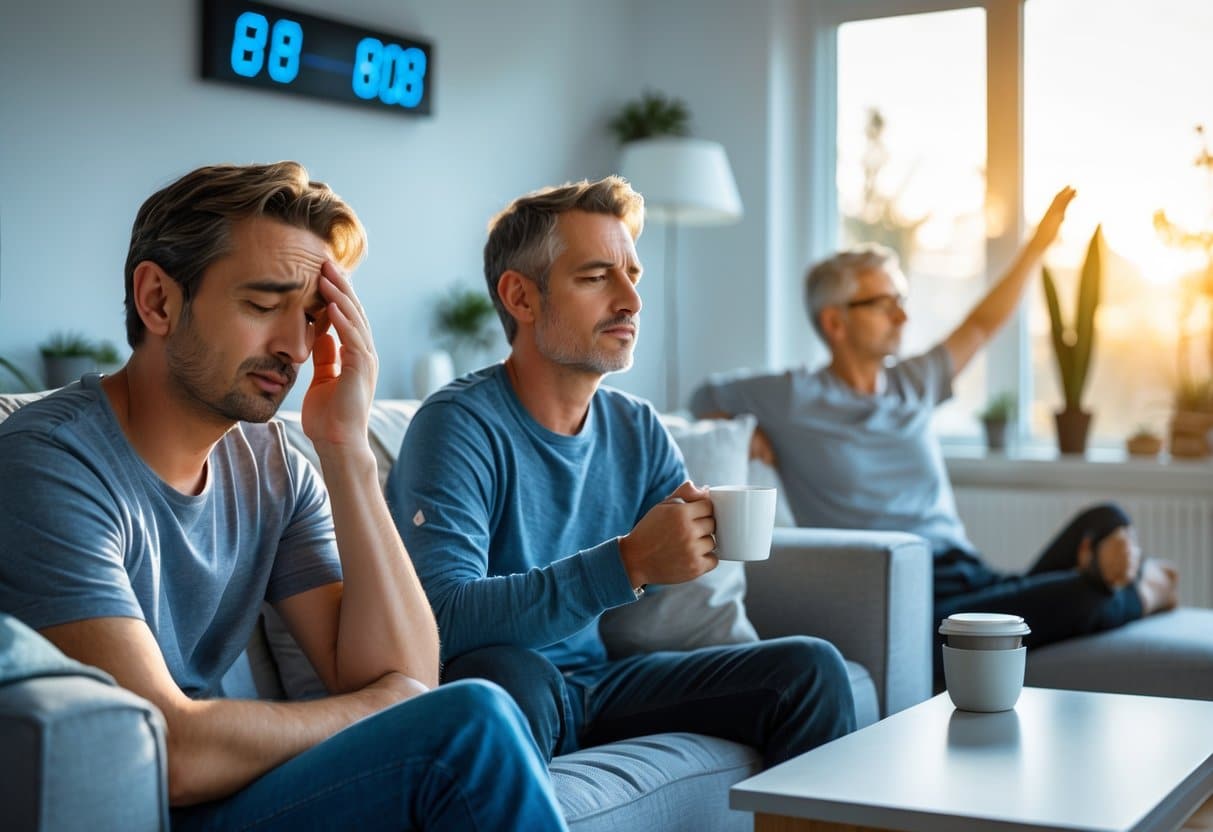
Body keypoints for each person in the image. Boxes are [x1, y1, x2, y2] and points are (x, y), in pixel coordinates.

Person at [0, 162, 568, 831]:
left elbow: (408, 681)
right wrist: (372, 709)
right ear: (157, 300)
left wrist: (345, 447)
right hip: (148, 807)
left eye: (311, 318)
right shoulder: (50, 461)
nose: (295, 348)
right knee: (472, 723)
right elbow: (163, 752)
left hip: (238, 792)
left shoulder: (274, 467)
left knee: (470, 717)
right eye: (264, 306)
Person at [386, 176, 855, 767]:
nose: (630, 301)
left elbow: (659, 556)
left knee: (809, 668)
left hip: (599, 683)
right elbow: (440, 618)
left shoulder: (635, 426)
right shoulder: (457, 425)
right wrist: (629, 561)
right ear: (521, 298)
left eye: (632, 276)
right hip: (511, 685)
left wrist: (680, 546)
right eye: (595, 277)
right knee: (504, 679)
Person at [690, 187, 1180, 677]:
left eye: (901, 300)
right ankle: (1147, 587)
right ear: (835, 322)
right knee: (1080, 593)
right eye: (884, 304)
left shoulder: (913, 382)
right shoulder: (792, 396)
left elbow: (983, 324)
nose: (902, 316)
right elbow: (703, 396)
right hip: (907, 595)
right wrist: (745, 432)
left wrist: (1039, 243)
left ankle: (1120, 575)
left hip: (971, 573)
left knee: (1106, 515)